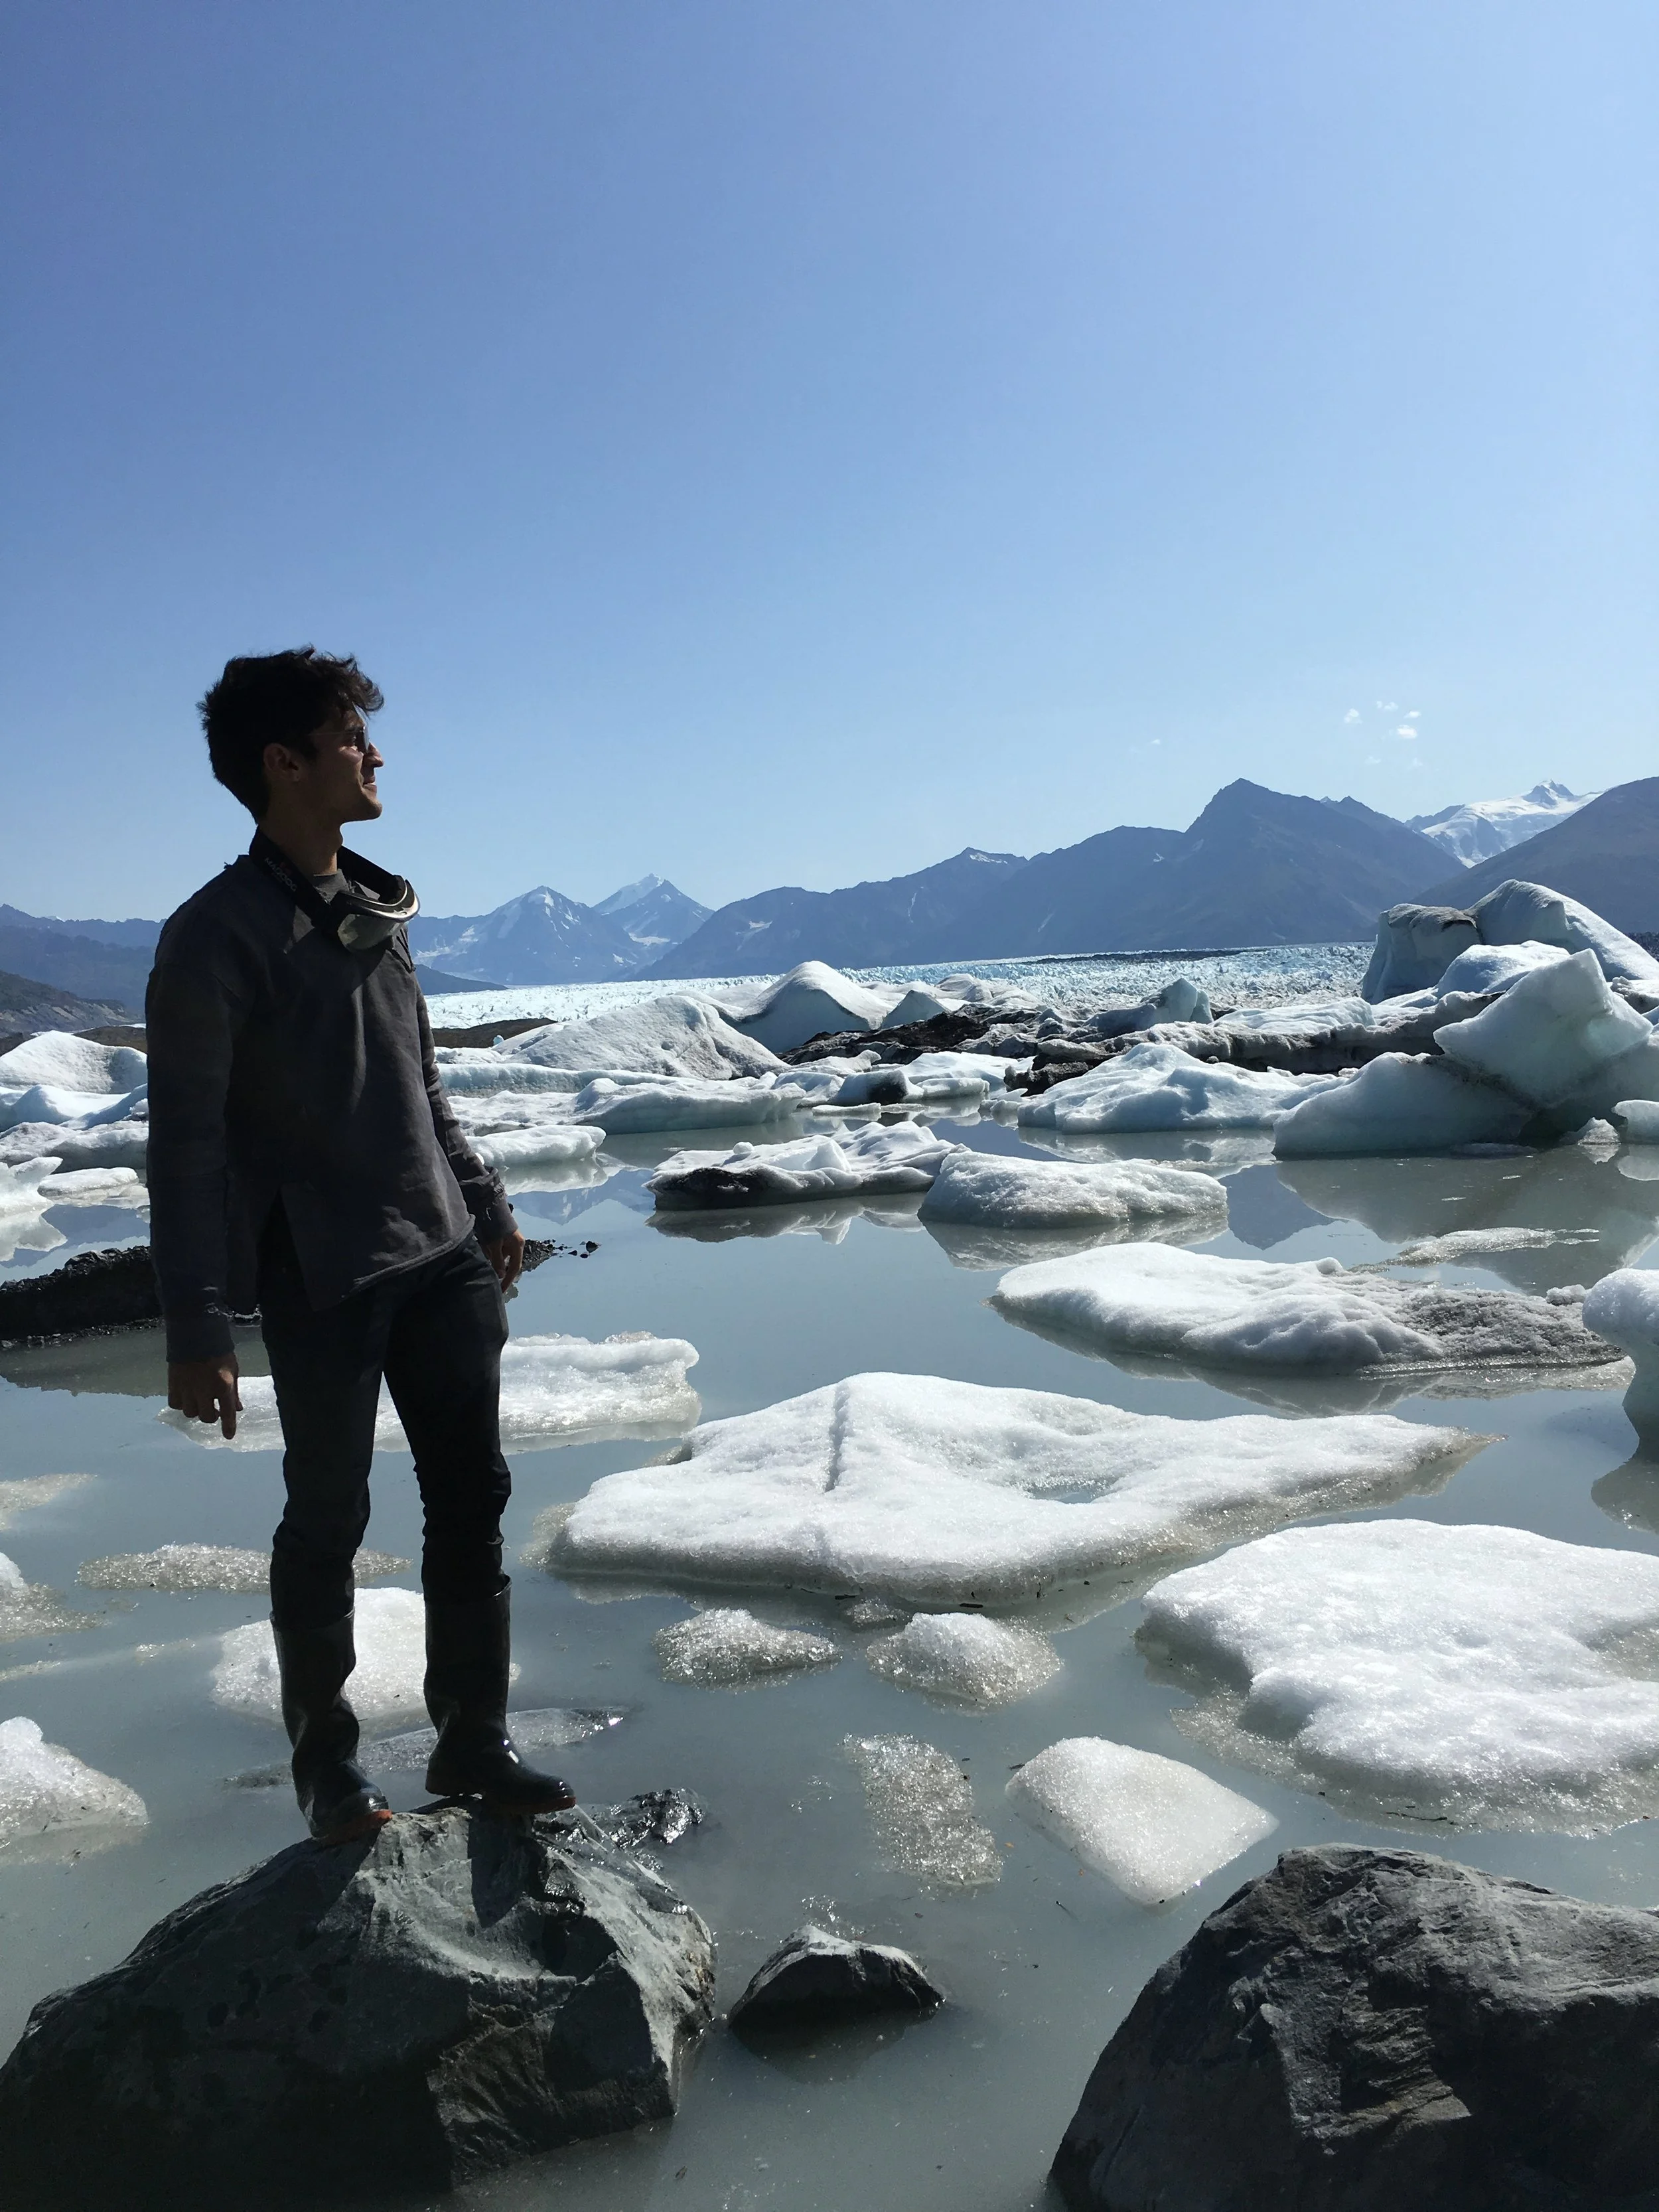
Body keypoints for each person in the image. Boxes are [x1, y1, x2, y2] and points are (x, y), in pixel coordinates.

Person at [147, 646, 575, 1842]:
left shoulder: (376, 911)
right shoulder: (213, 937)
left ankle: (474, 1743)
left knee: (471, 1501)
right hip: (321, 1271)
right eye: (350, 737)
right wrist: (197, 1329)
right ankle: (327, 1769)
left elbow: (423, 1085)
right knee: (327, 1516)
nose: (374, 752)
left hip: (437, 1256)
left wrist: (484, 1201)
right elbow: (182, 1149)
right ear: (284, 764)